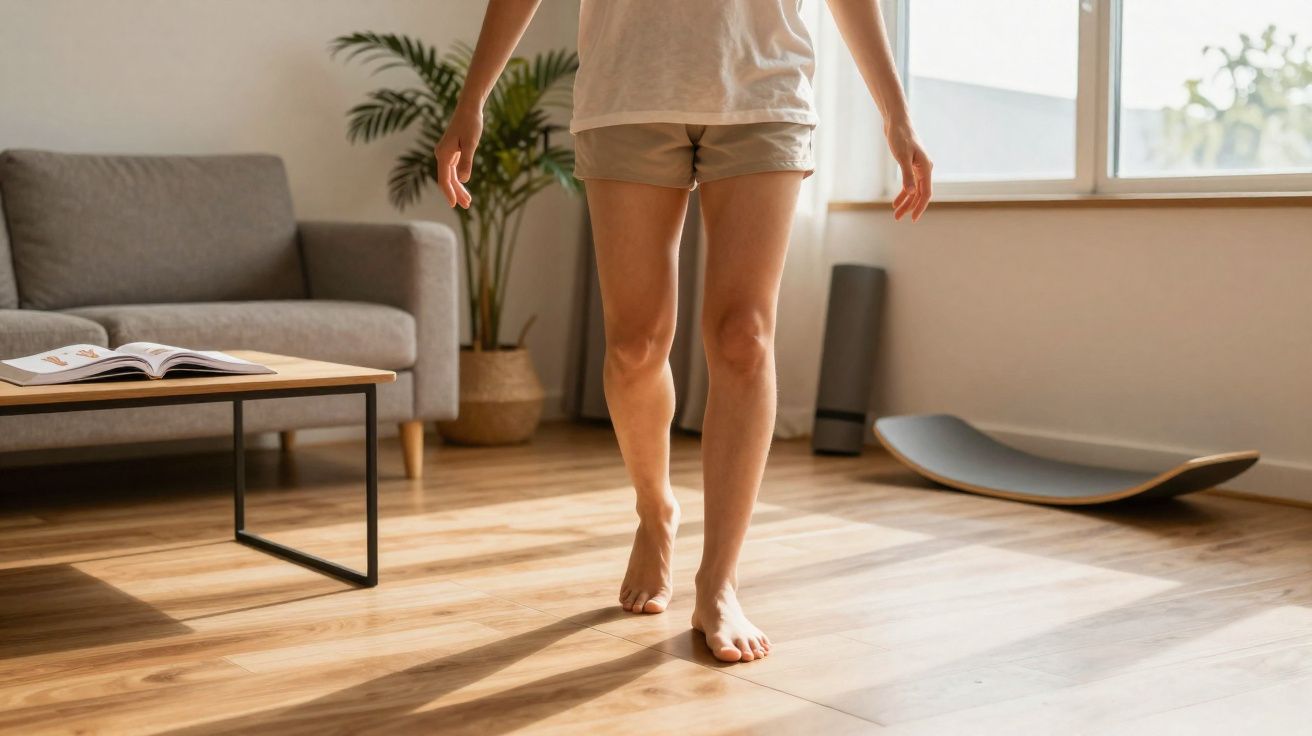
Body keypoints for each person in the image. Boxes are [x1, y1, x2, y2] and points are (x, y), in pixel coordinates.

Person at [434, 0, 932, 664]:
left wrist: (896, 114)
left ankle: (719, 581)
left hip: (764, 85)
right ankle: (655, 509)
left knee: (743, 337)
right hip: (629, 88)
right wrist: (474, 99)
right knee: (635, 345)